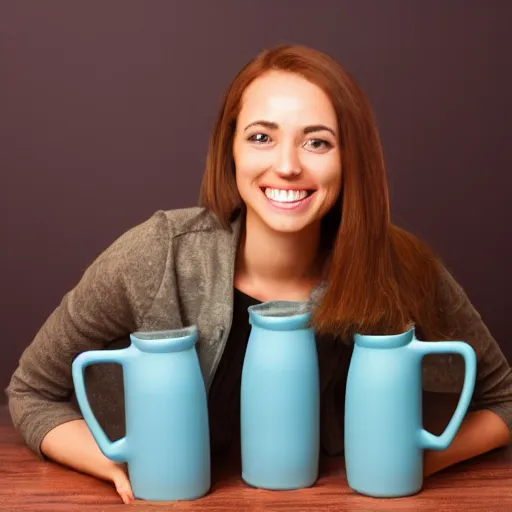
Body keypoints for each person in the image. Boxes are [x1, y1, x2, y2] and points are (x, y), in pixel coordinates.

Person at [6, 44, 512, 505]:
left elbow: (503, 400)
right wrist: (112, 464)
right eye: (262, 137)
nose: (287, 166)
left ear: (349, 159)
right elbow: (31, 391)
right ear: (231, 149)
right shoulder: (159, 255)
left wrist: (418, 461)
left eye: (317, 142)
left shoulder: (398, 265)